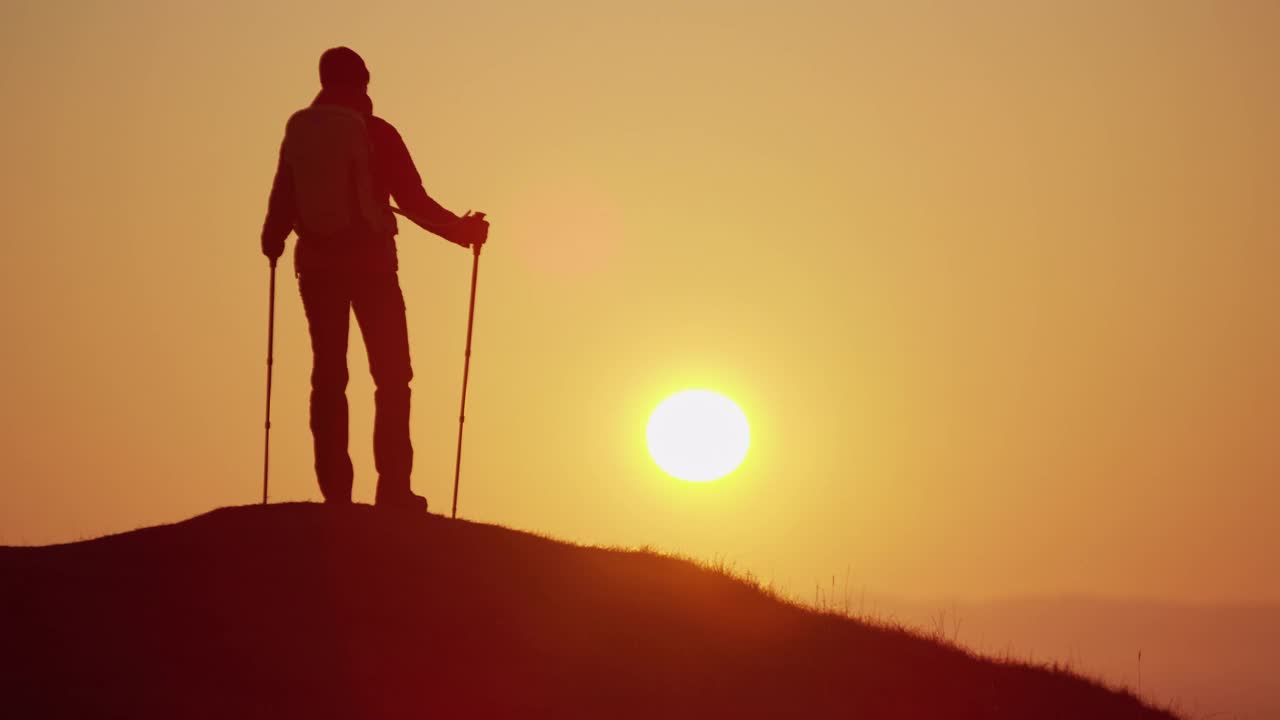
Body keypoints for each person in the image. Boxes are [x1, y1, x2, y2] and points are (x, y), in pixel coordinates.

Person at [261, 47, 488, 512]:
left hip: (317, 267)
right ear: (363, 81)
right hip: (372, 267)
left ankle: (337, 493)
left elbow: (282, 199)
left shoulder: (300, 132)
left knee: (329, 375)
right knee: (392, 375)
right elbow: (414, 200)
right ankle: (394, 490)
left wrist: (273, 239)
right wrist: (462, 232)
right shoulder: (377, 133)